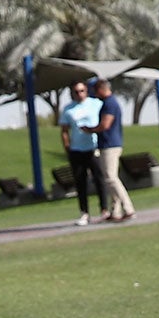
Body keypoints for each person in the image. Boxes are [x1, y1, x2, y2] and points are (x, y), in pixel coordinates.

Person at [58, 79, 108, 226]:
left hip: (93, 148)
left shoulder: (96, 104)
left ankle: (104, 209)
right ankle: (84, 213)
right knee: (81, 182)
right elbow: (64, 130)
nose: (79, 94)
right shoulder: (68, 109)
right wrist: (67, 147)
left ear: (86, 91)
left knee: (99, 179)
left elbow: (105, 120)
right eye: (76, 92)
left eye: (82, 91)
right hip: (77, 150)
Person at [91, 77, 135, 223]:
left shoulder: (110, 103)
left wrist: (89, 130)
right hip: (106, 144)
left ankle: (128, 208)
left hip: (110, 145)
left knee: (111, 177)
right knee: (109, 179)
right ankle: (115, 211)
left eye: (95, 91)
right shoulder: (107, 103)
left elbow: (105, 125)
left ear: (101, 90)